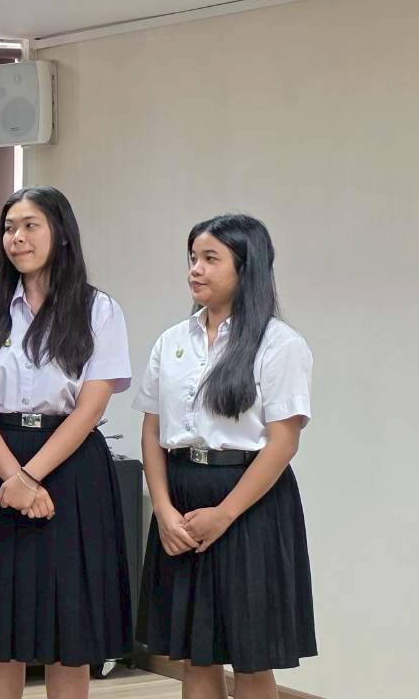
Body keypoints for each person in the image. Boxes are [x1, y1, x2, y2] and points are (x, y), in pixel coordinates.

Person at [0, 186, 132, 699]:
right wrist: (14, 476)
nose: (17, 238)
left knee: (69, 628)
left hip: (70, 468)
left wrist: (30, 476)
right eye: (9, 228)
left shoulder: (98, 310)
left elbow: (91, 408)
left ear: (62, 235)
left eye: (30, 226)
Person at [134, 214, 316, 699]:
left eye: (210, 259)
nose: (195, 269)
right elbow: (152, 431)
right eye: (193, 258)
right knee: (195, 655)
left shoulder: (280, 344)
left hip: (249, 502)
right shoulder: (172, 340)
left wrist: (224, 515)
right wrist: (163, 510)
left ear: (246, 266)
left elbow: (283, 443)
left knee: (251, 658)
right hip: (181, 496)